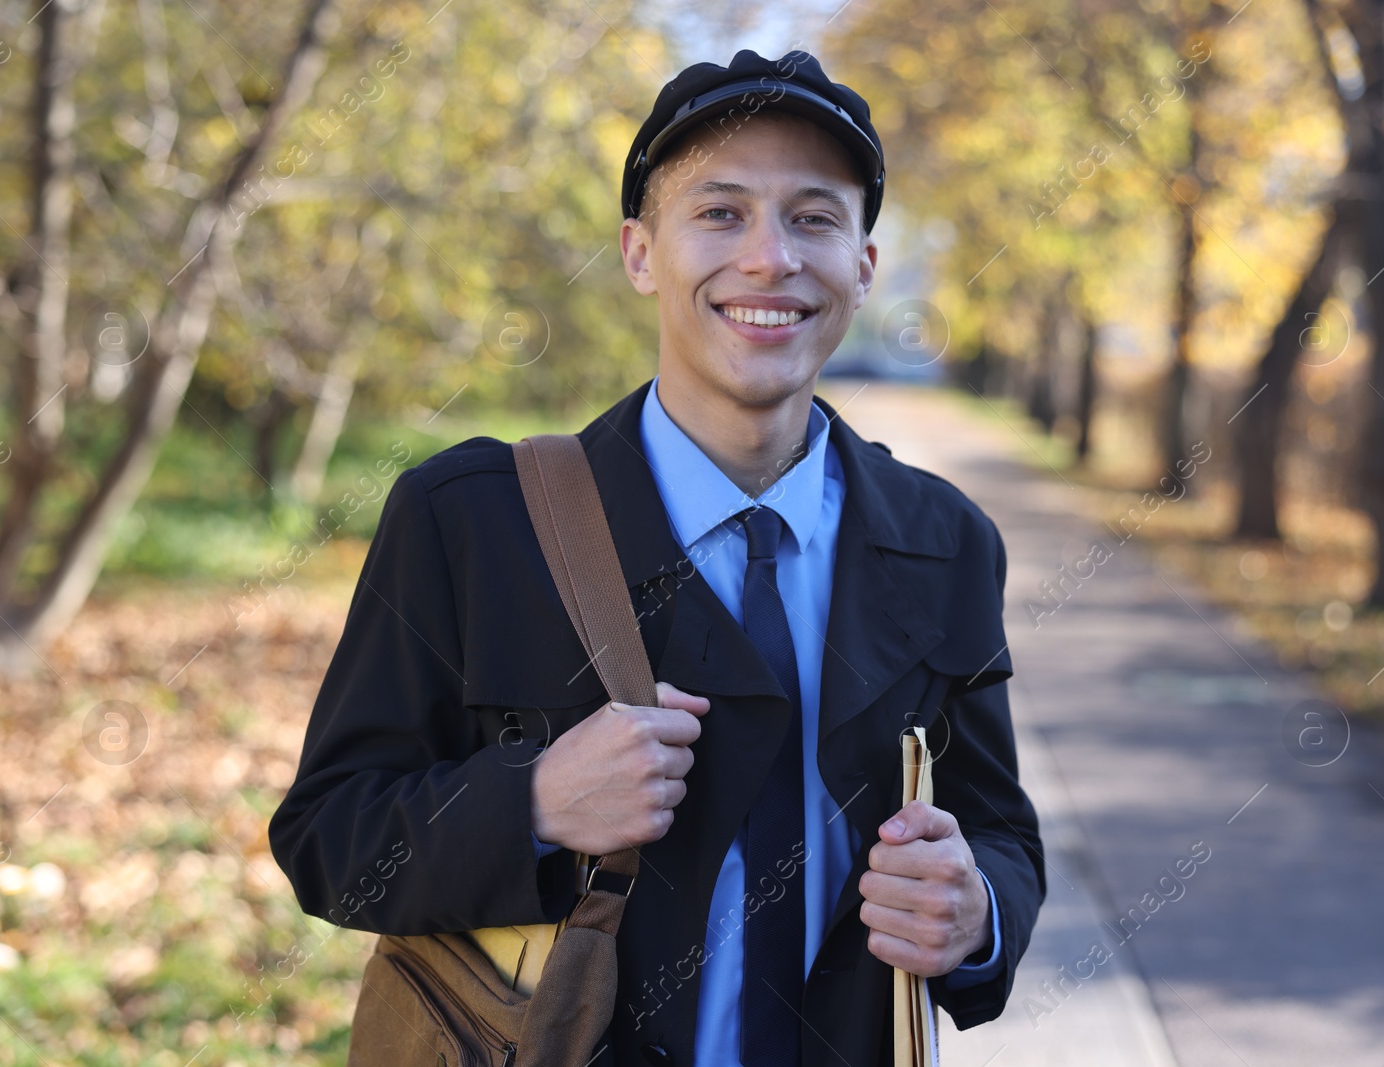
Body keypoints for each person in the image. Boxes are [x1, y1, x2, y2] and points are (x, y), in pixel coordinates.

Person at [269, 48, 1045, 1067]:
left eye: (813, 217)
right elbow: (331, 840)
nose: (769, 258)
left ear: (861, 263)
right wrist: (535, 801)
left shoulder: (945, 541)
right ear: (640, 254)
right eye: (719, 213)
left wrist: (975, 909)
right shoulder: (469, 521)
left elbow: (997, 831)